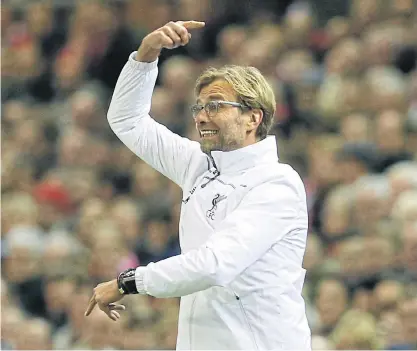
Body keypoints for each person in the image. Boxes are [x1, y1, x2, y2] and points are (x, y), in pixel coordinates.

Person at [85, 20, 311, 350]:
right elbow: (127, 121)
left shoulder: (277, 184)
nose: (201, 117)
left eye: (216, 106)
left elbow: (215, 265)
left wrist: (129, 281)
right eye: (200, 107)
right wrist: (146, 55)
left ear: (253, 117)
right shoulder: (198, 164)